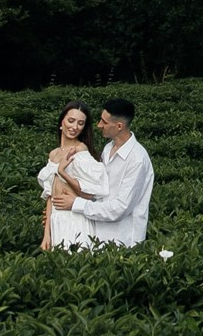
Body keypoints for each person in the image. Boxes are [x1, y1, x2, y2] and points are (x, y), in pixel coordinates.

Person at [50, 97, 153, 248]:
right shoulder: (108, 149)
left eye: (104, 122)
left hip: (122, 241)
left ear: (119, 126)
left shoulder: (137, 159)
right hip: (97, 235)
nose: (99, 125)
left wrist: (76, 203)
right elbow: (98, 191)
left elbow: (120, 208)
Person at [37, 102, 107, 252]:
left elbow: (89, 194)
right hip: (56, 219)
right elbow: (50, 197)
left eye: (80, 123)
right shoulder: (54, 153)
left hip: (74, 218)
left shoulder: (80, 150)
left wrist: (62, 172)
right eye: (71, 120)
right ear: (62, 121)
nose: (74, 127)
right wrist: (46, 234)